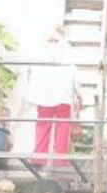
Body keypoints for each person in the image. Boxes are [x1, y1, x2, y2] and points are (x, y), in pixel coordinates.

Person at [26, 25, 80, 168]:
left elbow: (31, 71)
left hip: (45, 93)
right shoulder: (67, 50)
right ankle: (60, 160)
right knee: (62, 126)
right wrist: (79, 93)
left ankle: (40, 158)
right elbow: (75, 73)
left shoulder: (40, 50)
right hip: (62, 93)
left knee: (44, 125)